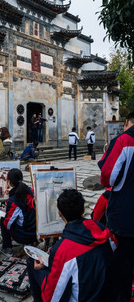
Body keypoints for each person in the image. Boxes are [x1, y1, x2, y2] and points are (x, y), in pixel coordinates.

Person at [27, 189, 116, 302]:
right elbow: (114, 250)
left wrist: (42, 269)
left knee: (32, 263)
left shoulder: (63, 250)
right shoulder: (100, 228)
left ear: (59, 213)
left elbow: (52, 297)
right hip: (107, 290)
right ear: (83, 210)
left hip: (83, 297)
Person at [98, 111, 134, 301]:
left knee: (122, 266)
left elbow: (108, 176)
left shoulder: (124, 140)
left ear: (127, 122)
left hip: (126, 216)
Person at [0, 168, 36, 257]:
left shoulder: (13, 201)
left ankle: (7, 247)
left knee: (3, 220)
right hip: (36, 229)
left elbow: (8, 224)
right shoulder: (30, 190)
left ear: (9, 182)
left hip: (25, 234)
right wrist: (12, 192)